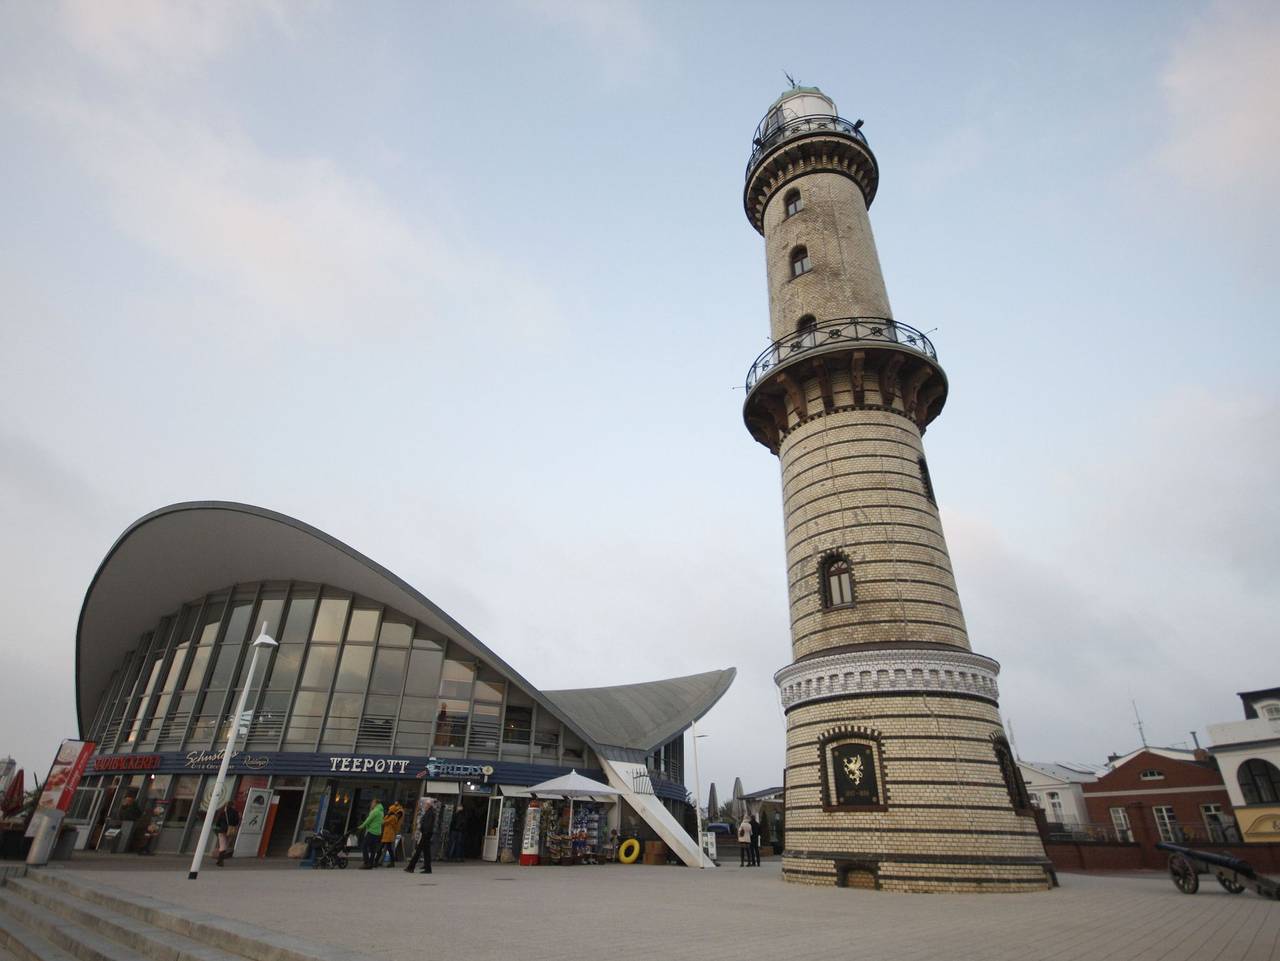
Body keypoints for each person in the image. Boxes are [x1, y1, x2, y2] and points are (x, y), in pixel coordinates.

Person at [404, 799, 436, 874]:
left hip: (426, 834)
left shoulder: (430, 813)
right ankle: (428, 868)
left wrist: (424, 831)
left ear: (429, 805)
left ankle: (411, 867)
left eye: (426, 805)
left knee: (418, 851)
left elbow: (427, 824)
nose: (424, 806)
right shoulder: (429, 812)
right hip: (427, 834)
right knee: (426, 852)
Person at [358, 798, 385, 869]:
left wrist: (362, 826)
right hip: (378, 832)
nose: (371, 804)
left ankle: (366, 862)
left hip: (371, 831)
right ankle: (371, 863)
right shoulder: (381, 811)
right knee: (373, 849)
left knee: (364, 846)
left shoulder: (375, 811)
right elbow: (382, 822)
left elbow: (368, 820)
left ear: (376, 803)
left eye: (372, 803)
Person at [213, 801, 240, 867]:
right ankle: (220, 860)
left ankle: (220, 861)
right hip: (230, 831)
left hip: (222, 830)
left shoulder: (222, 813)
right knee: (226, 845)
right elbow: (236, 822)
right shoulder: (235, 812)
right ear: (233, 805)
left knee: (222, 845)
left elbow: (218, 823)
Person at [381, 799, 404, 867]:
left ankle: (390, 861)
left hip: (393, 831)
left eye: (396, 804)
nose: (394, 805)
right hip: (391, 831)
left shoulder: (399, 811)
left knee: (390, 847)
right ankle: (381, 860)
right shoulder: (396, 810)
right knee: (387, 847)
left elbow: (394, 820)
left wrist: (391, 813)